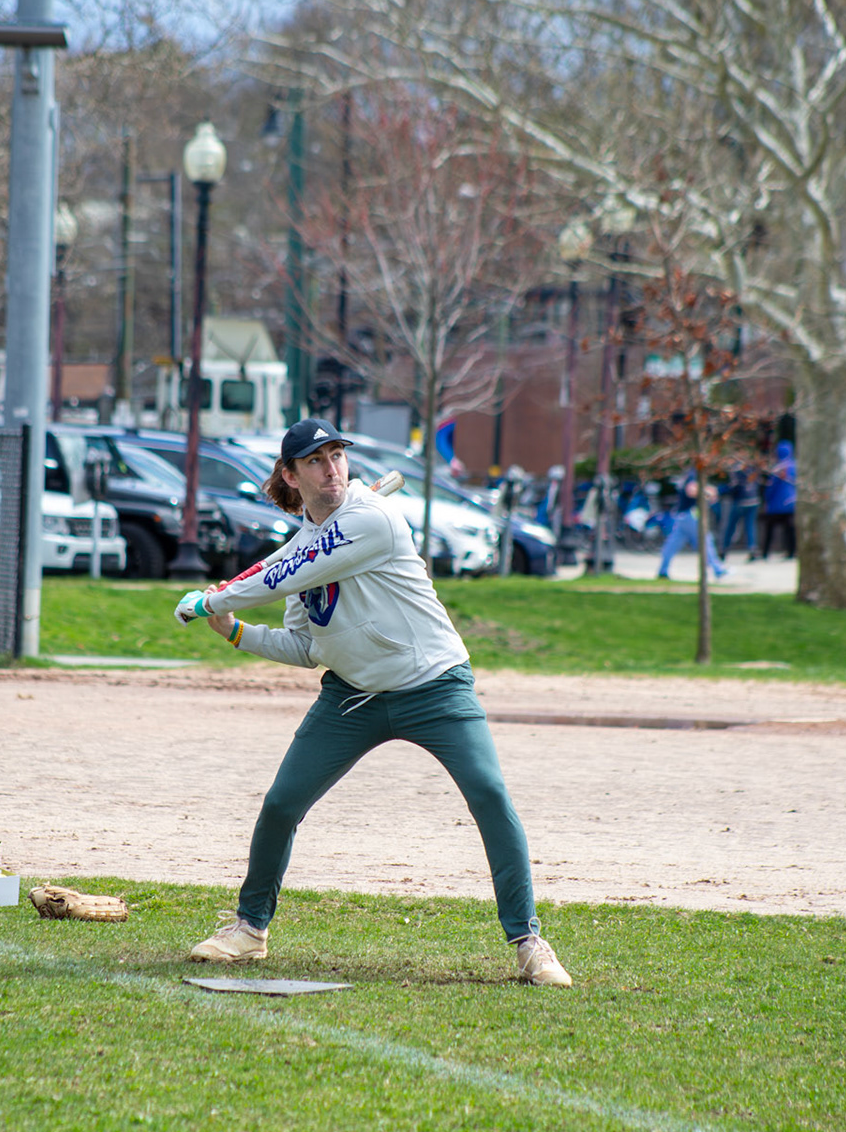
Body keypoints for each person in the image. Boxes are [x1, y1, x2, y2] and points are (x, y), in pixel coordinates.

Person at [172, 419, 572, 987]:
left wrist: (215, 599)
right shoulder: (304, 548)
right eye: (315, 461)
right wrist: (236, 631)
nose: (331, 469)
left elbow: (281, 575)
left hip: (434, 685)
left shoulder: (373, 518)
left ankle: (529, 942)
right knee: (282, 803)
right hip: (352, 695)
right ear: (291, 475)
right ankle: (250, 928)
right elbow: (307, 647)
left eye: (336, 455)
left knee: (488, 793)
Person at [655, 471, 729, 579]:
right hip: (690, 515)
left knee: (672, 545)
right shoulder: (694, 474)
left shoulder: (689, 474)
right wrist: (708, 492)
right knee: (705, 541)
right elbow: (691, 490)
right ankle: (718, 570)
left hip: (682, 516)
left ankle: (663, 571)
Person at [757, 442, 797, 560]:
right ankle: (791, 551)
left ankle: (765, 552)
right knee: (789, 529)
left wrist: (766, 499)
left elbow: (771, 487)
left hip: (775, 505)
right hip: (790, 503)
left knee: (770, 529)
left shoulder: (777, 468)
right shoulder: (794, 466)